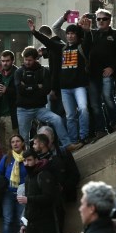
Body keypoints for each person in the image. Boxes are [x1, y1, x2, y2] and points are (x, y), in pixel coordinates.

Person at [29, 18, 91, 147]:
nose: (70, 36)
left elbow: (89, 42)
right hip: (65, 89)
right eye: (68, 33)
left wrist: (87, 31)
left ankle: (84, 136)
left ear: (77, 35)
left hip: (79, 86)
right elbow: (48, 42)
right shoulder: (62, 48)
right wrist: (35, 32)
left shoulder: (81, 48)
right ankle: (74, 140)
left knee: (83, 109)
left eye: (72, 33)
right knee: (70, 116)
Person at [13, 46, 75, 151]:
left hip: (39, 108)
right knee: (24, 137)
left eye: (30, 60)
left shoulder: (43, 71)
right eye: (25, 60)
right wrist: (36, 86)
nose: (27, 62)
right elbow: (20, 90)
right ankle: (26, 157)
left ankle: (67, 144)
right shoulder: (19, 72)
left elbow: (46, 89)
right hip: (23, 109)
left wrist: (28, 87)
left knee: (57, 119)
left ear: (35, 59)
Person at [87, 8, 116, 138]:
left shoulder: (115, 35)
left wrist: (112, 68)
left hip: (106, 73)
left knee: (108, 98)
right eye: (98, 19)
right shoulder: (92, 34)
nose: (101, 21)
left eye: (104, 19)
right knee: (95, 103)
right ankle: (100, 129)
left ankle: (115, 123)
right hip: (92, 74)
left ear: (109, 20)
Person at [18, 149, 60, 233]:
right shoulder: (28, 178)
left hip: (45, 223)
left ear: (36, 160)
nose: (26, 163)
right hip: (31, 224)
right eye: (24, 161)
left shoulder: (44, 175)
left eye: (29, 160)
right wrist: (24, 224)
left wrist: (28, 199)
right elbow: (27, 206)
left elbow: (49, 198)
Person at [0, 134, 27, 233]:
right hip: (8, 193)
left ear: (22, 143)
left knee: (20, 220)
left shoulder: (27, 156)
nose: (15, 144)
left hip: (22, 194)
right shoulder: (6, 158)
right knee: (7, 220)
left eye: (17, 141)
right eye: (13, 142)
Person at [0, 50, 19, 156]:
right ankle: (8, 168)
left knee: (13, 145)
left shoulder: (18, 73)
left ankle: (14, 169)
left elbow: (21, 92)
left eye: (7, 61)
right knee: (3, 147)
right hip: (0, 115)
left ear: (12, 61)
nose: (5, 63)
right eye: (3, 61)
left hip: (12, 115)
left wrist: (7, 91)